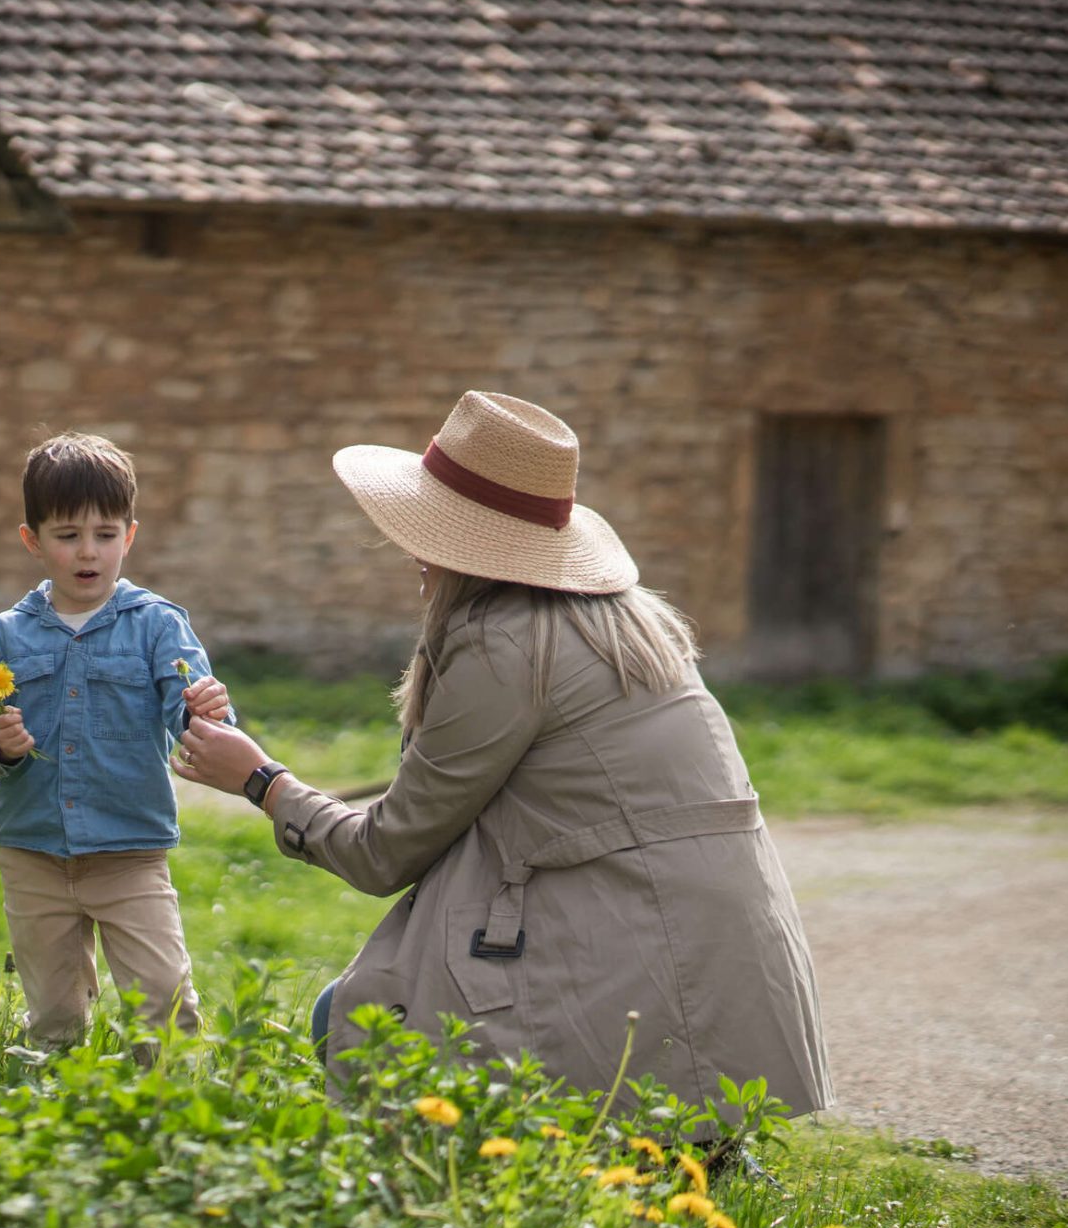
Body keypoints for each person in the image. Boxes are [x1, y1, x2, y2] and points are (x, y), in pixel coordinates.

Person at [173, 392, 832, 1121]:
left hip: (633, 960)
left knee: (353, 1018)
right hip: (712, 963)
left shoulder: (504, 644)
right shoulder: (620, 619)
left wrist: (261, 781)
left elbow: (383, 855)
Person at [0, 431, 233, 1046]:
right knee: (54, 1013)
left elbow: (193, 708)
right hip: (33, 851)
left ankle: (166, 1115)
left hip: (128, 850)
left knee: (162, 1003)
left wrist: (205, 713)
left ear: (128, 536)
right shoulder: (8, 635)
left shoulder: (159, 625)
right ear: (33, 540)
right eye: (67, 535)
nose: (89, 552)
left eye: (105, 535)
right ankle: (57, 1113)